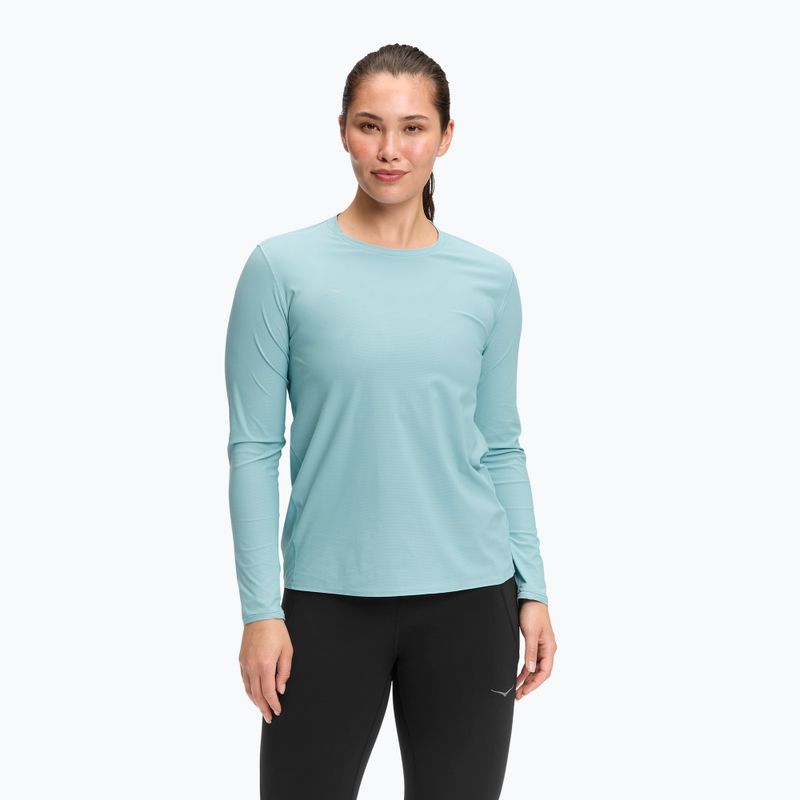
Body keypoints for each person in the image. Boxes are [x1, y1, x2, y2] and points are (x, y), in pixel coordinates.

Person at [224, 43, 557, 800]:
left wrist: (532, 589)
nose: (389, 150)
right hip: (326, 606)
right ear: (343, 130)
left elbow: (500, 445)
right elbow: (253, 449)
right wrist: (260, 612)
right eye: (370, 126)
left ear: (445, 137)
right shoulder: (281, 269)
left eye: (413, 128)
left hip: (473, 600)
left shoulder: (489, 279)